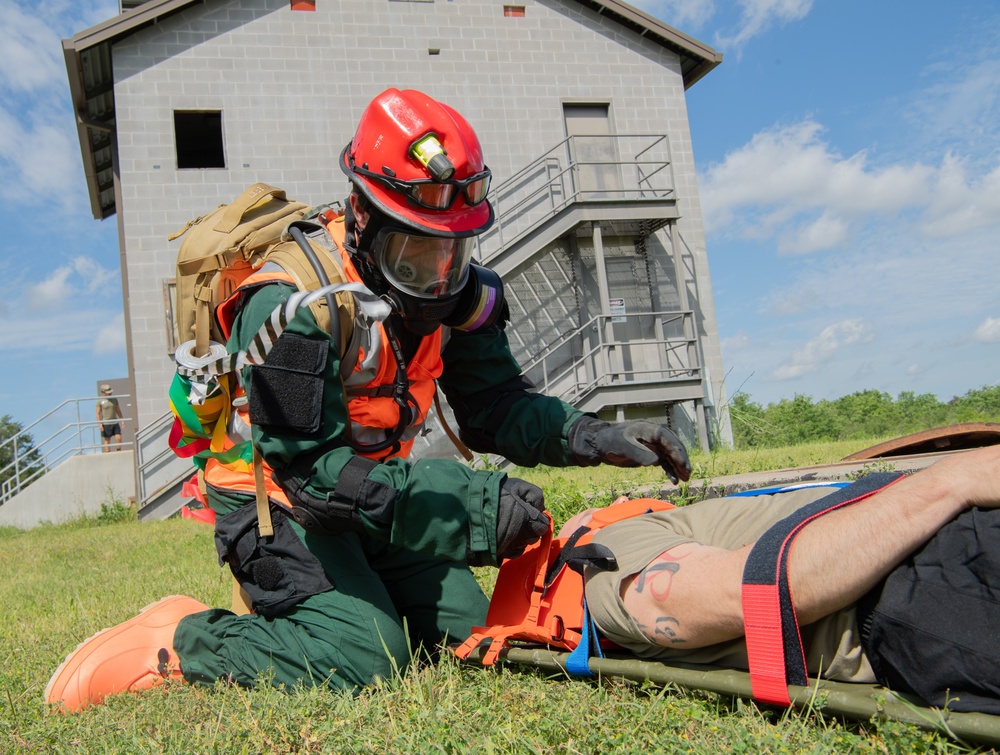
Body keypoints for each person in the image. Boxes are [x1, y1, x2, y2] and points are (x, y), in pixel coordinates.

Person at [45, 88, 691, 713]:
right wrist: (471, 506)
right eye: (415, 250)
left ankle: (342, 588)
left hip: (367, 498)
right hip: (277, 500)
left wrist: (588, 434)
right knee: (367, 656)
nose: (439, 274)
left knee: (472, 631)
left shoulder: (450, 290)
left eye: (454, 248)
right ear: (362, 216)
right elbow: (309, 476)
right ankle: (180, 637)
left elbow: (494, 405)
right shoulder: (289, 305)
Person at [578, 444, 1000, 713]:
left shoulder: (662, 523)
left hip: (934, 536)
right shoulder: (604, 554)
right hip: (907, 581)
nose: (621, 499)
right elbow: (743, 593)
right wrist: (951, 480)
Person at [95, 384, 123, 452]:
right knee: (107, 439)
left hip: (115, 421)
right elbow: (98, 413)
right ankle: (108, 452)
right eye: (108, 393)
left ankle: (118, 450)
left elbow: (118, 410)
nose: (110, 394)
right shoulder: (100, 401)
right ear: (103, 393)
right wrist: (99, 424)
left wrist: (122, 420)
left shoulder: (114, 400)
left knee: (118, 437)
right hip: (106, 423)